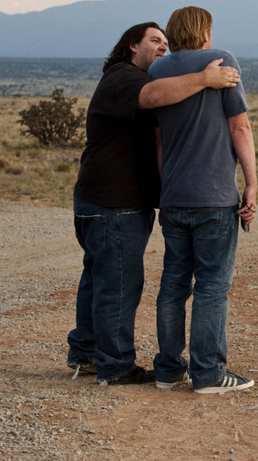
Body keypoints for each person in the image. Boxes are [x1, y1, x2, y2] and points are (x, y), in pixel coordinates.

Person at [67, 22, 240, 386]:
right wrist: (205, 79)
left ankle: (87, 353)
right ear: (133, 46)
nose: (163, 47)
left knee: (97, 279)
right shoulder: (125, 78)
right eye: (154, 41)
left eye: (166, 42)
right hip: (115, 202)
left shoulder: (126, 78)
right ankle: (115, 366)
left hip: (98, 198)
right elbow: (154, 97)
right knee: (119, 283)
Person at [148, 6, 258, 395]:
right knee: (212, 285)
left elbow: (159, 140)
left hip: (174, 195)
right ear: (206, 31)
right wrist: (252, 184)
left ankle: (167, 369)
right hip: (213, 195)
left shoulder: (158, 70)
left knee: (173, 284)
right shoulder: (221, 61)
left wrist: (167, 187)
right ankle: (208, 374)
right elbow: (239, 126)